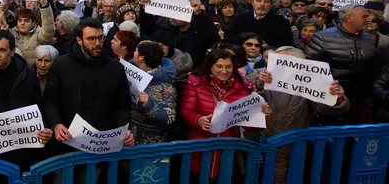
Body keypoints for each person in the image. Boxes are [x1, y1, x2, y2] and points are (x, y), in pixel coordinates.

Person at [257, 46, 349, 183]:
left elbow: (325, 109)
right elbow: (249, 100)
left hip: (292, 149)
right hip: (262, 144)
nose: (274, 63)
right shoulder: (263, 78)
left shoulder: (310, 85)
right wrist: (259, 84)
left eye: (280, 60)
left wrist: (335, 98)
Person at [43, 18, 134, 156]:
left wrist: (125, 130)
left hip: (102, 145)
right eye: (91, 39)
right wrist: (56, 124)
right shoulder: (61, 65)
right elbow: (50, 100)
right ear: (79, 40)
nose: (97, 44)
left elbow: (122, 105)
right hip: (67, 143)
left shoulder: (115, 68)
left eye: (100, 38)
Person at [180, 48, 269, 179]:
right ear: (210, 66)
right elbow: (186, 111)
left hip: (228, 149)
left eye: (228, 67)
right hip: (199, 146)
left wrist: (262, 114)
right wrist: (198, 119)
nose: (224, 71)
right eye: (219, 66)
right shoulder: (195, 84)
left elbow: (249, 126)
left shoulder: (244, 88)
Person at [0, 30, 52, 171]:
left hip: (23, 151)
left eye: (2, 50)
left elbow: (38, 107)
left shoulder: (29, 75)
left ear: (12, 51)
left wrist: (45, 128)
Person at [305, 4, 377, 124]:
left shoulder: (369, 40)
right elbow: (309, 68)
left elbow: (372, 68)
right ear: (349, 18)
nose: (369, 18)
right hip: (331, 99)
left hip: (360, 100)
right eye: (364, 16)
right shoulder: (323, 38)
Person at [130, 41, 177, 144]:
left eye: (136, 50)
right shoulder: (130, 74)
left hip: (151, 143)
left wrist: (149, 105)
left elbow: (169, 119)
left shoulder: (165, 86)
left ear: (141, 57)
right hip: (128, 137)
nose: (133, 53)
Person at [226, 0, 293, 48]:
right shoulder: (240, 19)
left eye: (266, 1)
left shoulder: (282, 22)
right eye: (258, 1)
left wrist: (269, 48)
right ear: (253, 2)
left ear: (270, 4)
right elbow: (230, 40)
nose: (262, 4)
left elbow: (286, 46)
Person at [10, 0, 55, 66]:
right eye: (20, 20)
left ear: (33, 22)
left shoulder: (39, 33)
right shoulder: (11, 33)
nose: (22, 23)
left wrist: (44, 4)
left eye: (26, 21)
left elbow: (48, 29)